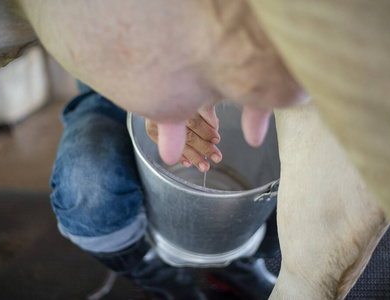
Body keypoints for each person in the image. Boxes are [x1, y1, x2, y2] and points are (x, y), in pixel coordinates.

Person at [50, 81, 280, 300]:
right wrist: (153, 94)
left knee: (301, 178)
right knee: (85, 188)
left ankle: (240, 265)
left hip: (233, 89)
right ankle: (161, 277)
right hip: (113, 96)